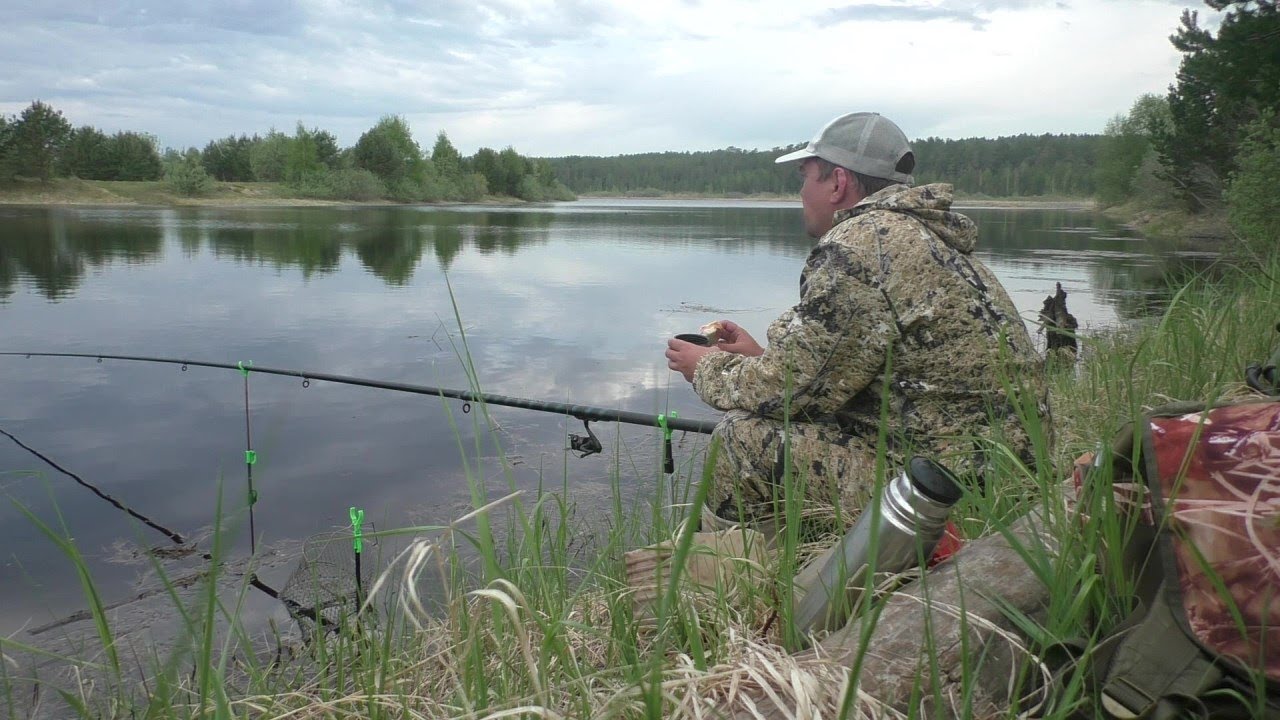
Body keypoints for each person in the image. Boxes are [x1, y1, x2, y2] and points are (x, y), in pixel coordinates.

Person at [665, 112, 1047, 533]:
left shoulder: (858, 248)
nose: (801, 192)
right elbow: (839, 368)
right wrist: (760, 358)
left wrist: (706, 367)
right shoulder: (917, 235)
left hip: (950, 490)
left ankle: (732, 571)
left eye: (805, 177)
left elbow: (792, 395)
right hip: (1000, 471)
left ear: (837, 183)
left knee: (742, 438)